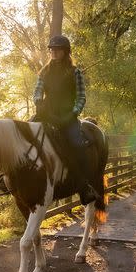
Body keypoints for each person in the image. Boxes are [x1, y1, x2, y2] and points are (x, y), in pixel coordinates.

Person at [32, 35, 97, 204]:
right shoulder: (44, 71)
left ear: (65, 51)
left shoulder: (75, 72)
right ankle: (11, 178)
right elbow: (37, 91)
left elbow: (81, 96)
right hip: (47, 114)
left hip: (67, 116)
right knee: (24, 134)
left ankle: (84, 186)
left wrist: (73, 113)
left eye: (57, 49)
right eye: (52, 49)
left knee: (77, 144)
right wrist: (38, 100)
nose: (54, 52)